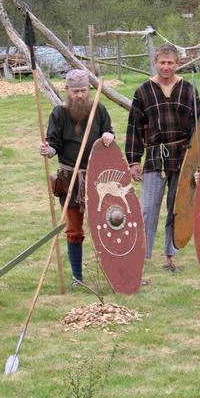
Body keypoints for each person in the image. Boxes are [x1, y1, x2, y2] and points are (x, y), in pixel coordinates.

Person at [125, 44, 200, 272]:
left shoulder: (188, 90)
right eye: (162, 62)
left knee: (176, 209)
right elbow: (134, 127)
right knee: (147, 209)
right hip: (155, 157)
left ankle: (170, 257)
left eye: (170, 63)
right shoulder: (143, 91)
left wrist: (197, 162)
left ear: (177, 64)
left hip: (183, 158)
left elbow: (199, 129)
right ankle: (142, 257)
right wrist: (134, 160)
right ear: (155, 63)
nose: (166, 67)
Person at [39, 69, 115, 286]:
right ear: (67, 90)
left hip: (97, 177)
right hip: (69, 178)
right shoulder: (59, 113)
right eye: (75, 91)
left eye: (83, 91)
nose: (79, 95)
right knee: (74, 229)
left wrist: (110, 136)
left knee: (106, 224)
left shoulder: (98, 109)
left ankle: (112, 273)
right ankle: (77, 278)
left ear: (89, 89)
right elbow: (54, 144)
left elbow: (108, 132)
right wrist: (48, 150)